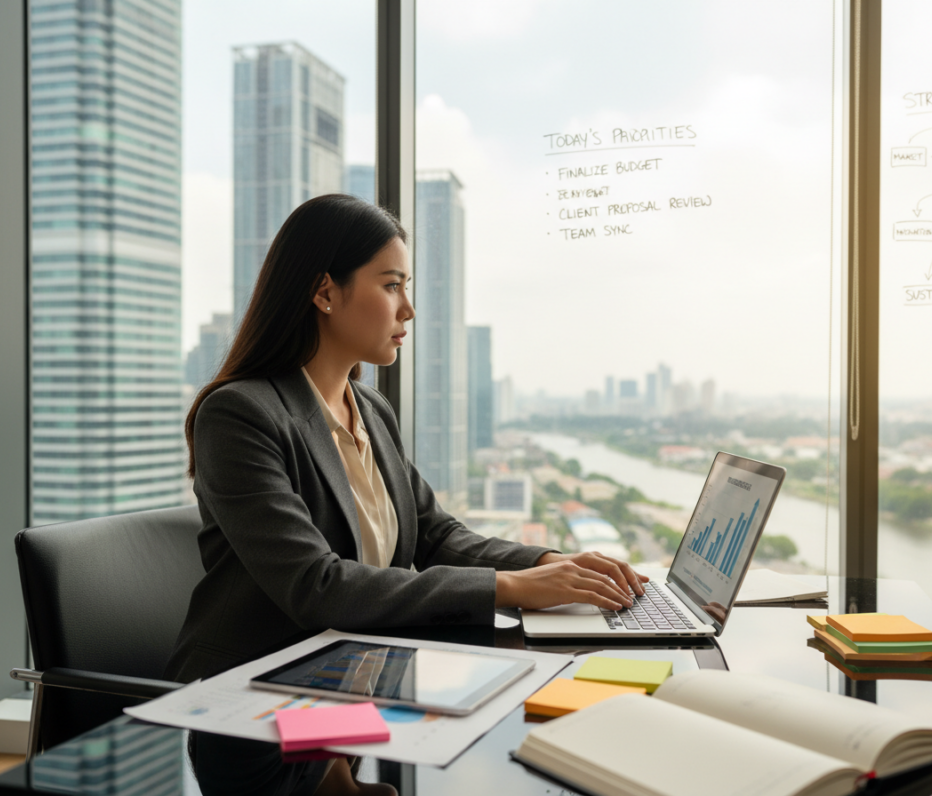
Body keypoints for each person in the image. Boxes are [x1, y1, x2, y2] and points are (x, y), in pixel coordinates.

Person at [166, 194, 646, 794]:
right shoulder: (240, 414)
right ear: (324, 293)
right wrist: (510, 587)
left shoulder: (369, 408)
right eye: (391, 285)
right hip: (263, 713)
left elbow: (437, 534)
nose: (409, 309)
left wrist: (548, 563)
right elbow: (316, 586)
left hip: (349, 693)